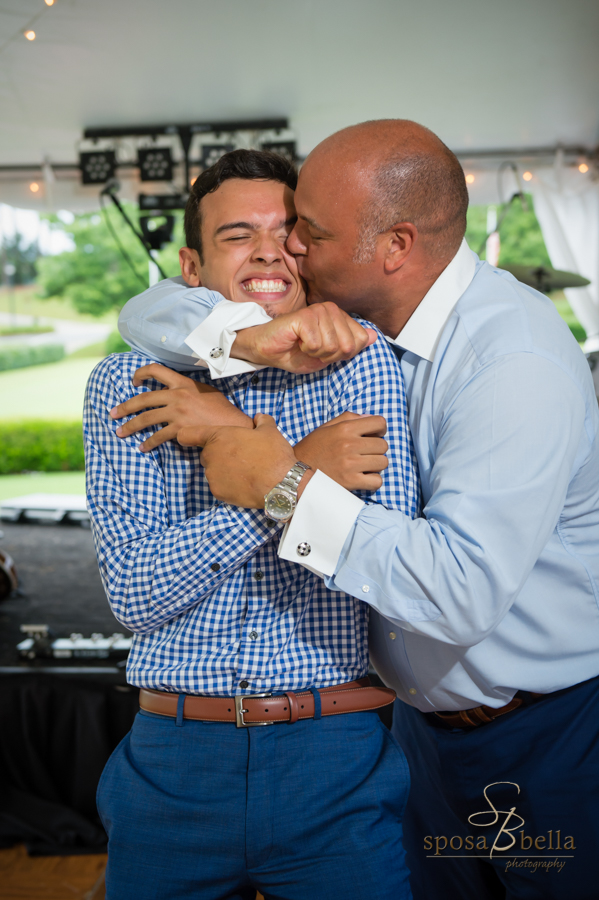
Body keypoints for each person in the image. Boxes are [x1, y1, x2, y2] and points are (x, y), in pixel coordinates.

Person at [126, 121, 598, 900]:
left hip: (546, 737)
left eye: (308, 232)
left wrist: (280, 484)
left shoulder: (510, 363)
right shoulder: (355, 329)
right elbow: (150, 311)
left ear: (395, 245)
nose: (288, 255)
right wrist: (249, 339)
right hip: (418, 737)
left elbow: (454, 591)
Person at [85, 149, 420, 900]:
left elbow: (381, 557)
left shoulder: (359, 365)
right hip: (172, 757)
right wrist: (288, 472)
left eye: (286, 231)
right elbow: (135, 595)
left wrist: (250, 461)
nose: (269, 250)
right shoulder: (126, 381)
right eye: (238, 235)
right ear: (191, 267)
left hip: (331, 751)